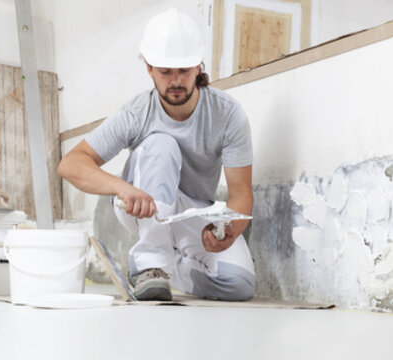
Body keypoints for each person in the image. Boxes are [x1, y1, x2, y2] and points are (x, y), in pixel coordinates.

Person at [58, 8, 255, 302]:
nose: (175, 81)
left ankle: (172, 265)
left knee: (238, 285)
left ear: (199, 67)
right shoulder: (136, 113)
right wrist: (122, 188)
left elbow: (242, 193)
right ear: (149, 68)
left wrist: (228, 228)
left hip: (193, 211)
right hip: (143, 206)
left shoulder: (227, 114)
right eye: (165, 71)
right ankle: (150, 265)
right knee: (161, 144)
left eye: (184, 71)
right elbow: (71, 164)